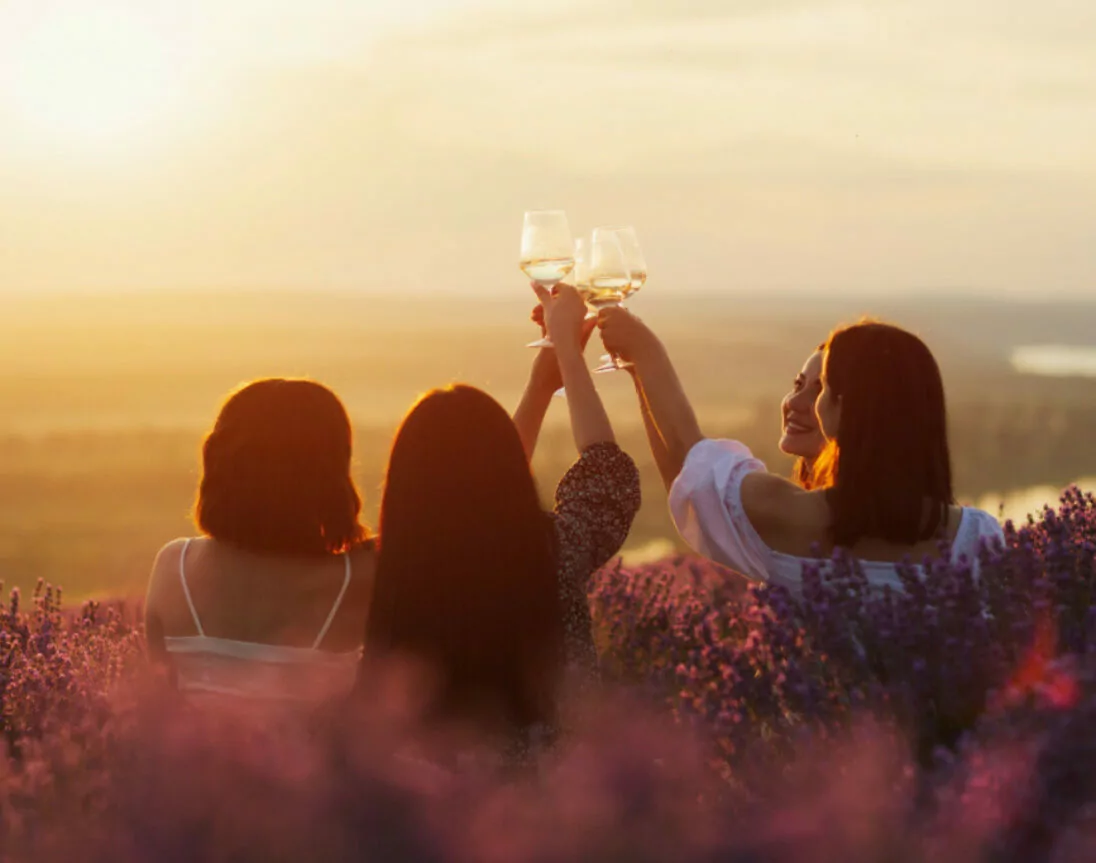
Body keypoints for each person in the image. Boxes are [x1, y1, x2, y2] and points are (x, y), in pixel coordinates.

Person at [360, 284, 640, 750]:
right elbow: (605, 473)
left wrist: (538, 386)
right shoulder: (550, 554)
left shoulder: (379, 573)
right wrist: (568, 357)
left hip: (421, 803)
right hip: (553, 799)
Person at [598, 312, 1004, 595]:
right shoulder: (977, 537)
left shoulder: (789, 519)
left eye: (823, 386)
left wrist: (646, 349)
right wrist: (640, 374)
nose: (803, 400)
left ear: (849, 407)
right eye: (798, 384)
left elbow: (693, 462)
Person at [145, 378, 375, 704]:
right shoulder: (361, 576)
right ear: (331, 473)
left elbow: (158, 706)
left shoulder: (174, 565)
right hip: (315, 756)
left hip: (194, 756)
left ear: (217, 463)